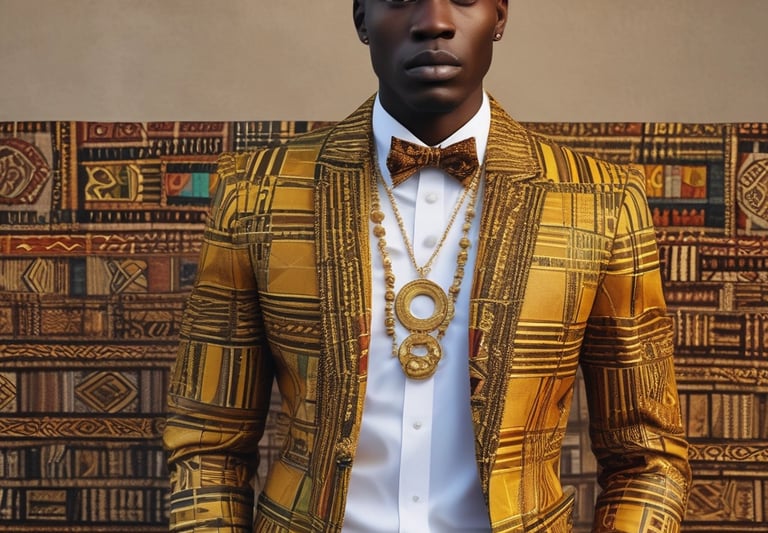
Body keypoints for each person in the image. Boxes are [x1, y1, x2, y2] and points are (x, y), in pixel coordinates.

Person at [163, 1, 692, 532]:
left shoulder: (598, 201)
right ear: (361, 19)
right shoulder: (255, 192)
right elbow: (207, 444)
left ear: (500, 16)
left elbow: (647, 458)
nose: (434, 21)